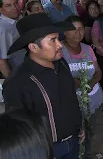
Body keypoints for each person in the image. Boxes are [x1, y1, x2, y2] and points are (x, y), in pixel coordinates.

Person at [2, 13, 84, 159]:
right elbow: (19, 130)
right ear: (33, 47)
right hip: (47, 150)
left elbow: (70, 98)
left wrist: (79, 124)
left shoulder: (62, 64)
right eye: (53, 40)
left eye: (58, 38)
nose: (60, 45)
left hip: (73, 140)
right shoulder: (18, 83)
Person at [62, 15, 103, 157]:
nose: (78, 33)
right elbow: (58, 79)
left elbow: (98, 72)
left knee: (90, 129)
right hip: (72, 103)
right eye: (73, 29)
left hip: (93, 97)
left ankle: (87, 151)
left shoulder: (87, 48)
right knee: (75, 133)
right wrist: (77, 82)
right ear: (64, 31)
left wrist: (90, 83)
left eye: (80, 29)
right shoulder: (59, 51)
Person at [0, 0, 25, 78]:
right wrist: (12, 82)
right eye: (8, 5)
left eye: (15, 3)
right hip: (18, 74)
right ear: (0, 9)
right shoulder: (2, 29)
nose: (14, 8)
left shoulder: (19, 18)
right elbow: (2, 62)